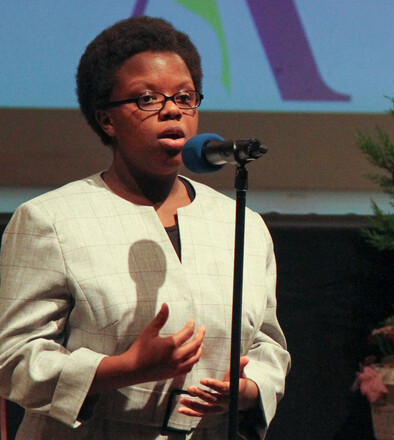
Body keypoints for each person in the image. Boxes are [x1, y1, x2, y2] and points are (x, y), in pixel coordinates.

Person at [0, 16, 290, 439]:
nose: (172, 110)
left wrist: (248, 390)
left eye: (185, 97)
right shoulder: (50, 220)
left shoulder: (240, 222)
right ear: (107, 120)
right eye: (147, 98)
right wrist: (123, 369)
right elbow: (12, 359)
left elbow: (267, 344)